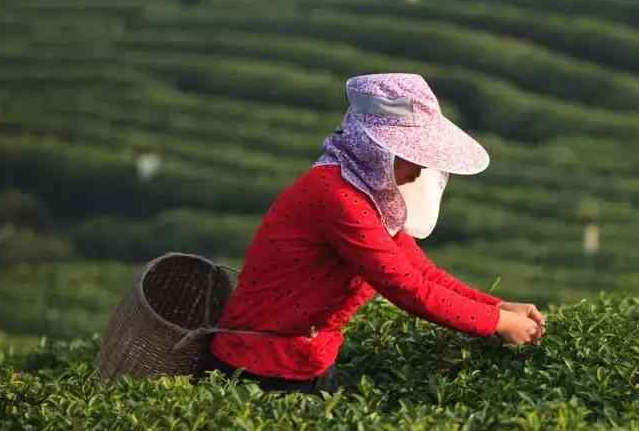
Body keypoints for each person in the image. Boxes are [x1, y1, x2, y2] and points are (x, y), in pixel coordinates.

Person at [196, 73, 545, 394]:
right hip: (258, 370)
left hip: (309, 364)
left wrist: (497, 305)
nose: (421, 167)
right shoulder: (336, 196)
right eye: (411, 154)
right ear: (378, 150)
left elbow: (422, 272)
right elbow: (407, 287)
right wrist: (497, 322)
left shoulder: (366, 195)